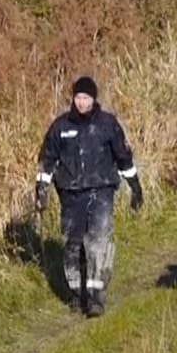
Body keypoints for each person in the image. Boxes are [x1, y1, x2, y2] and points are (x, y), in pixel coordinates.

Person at [36, 77, 144, 318]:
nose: (82, 102)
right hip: (70, 193)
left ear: (94, 99)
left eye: (86, 98)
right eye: (78, 97)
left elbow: (124, 158)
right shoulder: (60, 127)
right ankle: (77, 294)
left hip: (102, 189)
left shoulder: (107, 125)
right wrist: (41, 191)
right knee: (72, 245)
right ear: (73, 99)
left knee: (98, 241)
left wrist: (135, 187)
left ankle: (96, 296)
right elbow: (47, 161)